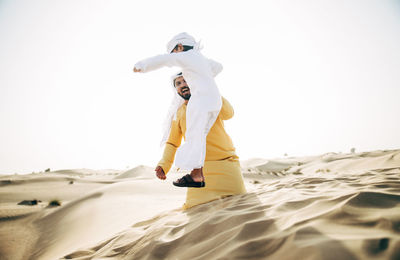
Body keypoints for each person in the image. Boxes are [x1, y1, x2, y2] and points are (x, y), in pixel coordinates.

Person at [133, 32, 223, 187]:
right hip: (214, 100)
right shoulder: (201, 59)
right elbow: (219, 67)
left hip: (200, 100)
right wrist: (205, 76)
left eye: (174, 51)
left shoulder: (187, 56)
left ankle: (195, 174)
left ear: (180, 47)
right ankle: (198, 174)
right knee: (200, 135)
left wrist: (142, 65)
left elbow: (164, 59)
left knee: (194, 134)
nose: (174, 56)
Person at [155, 73, 246, 209]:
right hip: (198, 172)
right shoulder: (179, 113)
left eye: (185, 81)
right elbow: (173, 143)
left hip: (226, 164)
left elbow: (229, 114)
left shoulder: (210, 101)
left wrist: (211, 91)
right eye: (178, 83)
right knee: (194, 211)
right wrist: (164, 165)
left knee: (240, 206)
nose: (182, 85)